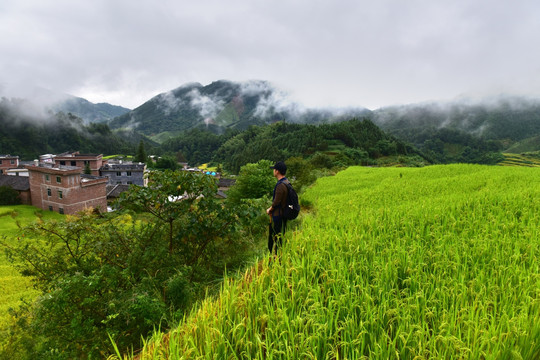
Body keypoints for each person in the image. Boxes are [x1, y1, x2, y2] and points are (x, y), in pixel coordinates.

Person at [266, 161, 289, 254]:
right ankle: (279, 253)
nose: (273, 171)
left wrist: (270, 209)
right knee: (281, 235)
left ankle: (276, 255)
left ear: (277, 171)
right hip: (284, 213)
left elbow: (276, 202)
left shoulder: (280, 185)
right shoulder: (287, 182)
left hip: (278, 215)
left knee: (277, 236)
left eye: (274, 169)